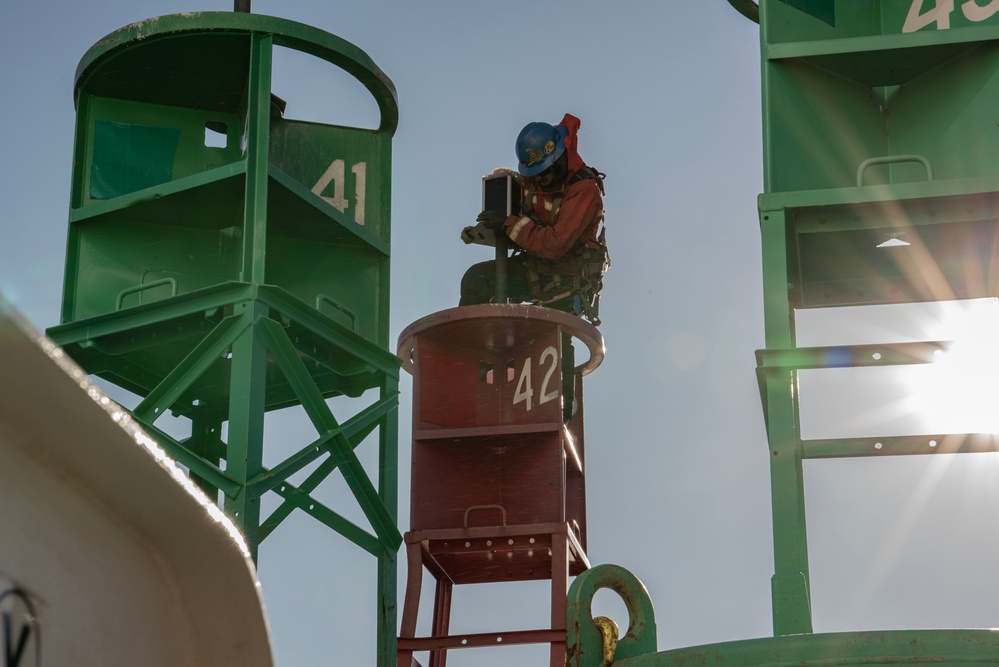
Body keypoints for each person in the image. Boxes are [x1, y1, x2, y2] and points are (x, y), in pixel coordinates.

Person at [459, 113, 608, 323]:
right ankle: (472, 346)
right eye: (534, 173)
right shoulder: (534, 181)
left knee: (555, 335)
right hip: (536, 267)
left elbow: (555, 244)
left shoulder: (583, 191)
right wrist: (488, 227)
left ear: (559, 158)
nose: (539, 179)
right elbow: (524, 221)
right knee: (478, 279)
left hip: (568, 277)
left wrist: (508, 224)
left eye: (544, 172)